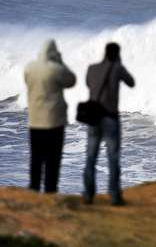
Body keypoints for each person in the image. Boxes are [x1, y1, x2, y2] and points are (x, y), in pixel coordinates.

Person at [83, 42, 135, 205]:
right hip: (110, 119)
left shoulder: (92, 68)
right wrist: (118, 65)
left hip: (93, 118)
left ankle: (88, 195)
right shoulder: (117, 68)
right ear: (117, 54)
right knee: (112, 158)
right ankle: (114, 196)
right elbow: (131, 82)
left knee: (91, 157)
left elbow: (89, 84)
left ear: (104, 53)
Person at [24, 40, 77, 193]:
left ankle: (33, 189)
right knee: (52, 160)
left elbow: (27, 82)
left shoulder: (29, 68)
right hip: (54, 122)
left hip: (35, 121)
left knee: (36, 158)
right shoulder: (56, 69)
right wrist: (61, 62)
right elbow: (71, 81)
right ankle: (50, 192)